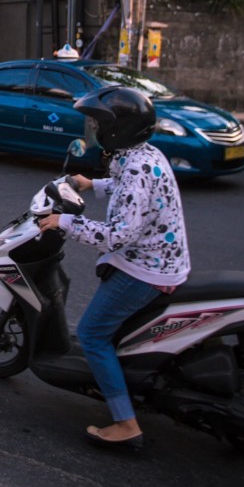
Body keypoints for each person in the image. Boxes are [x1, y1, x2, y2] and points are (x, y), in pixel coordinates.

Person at [35, 86, 190, 451]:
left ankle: (125, 422)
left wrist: (65, 223)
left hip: (146, 269)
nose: (91, 127)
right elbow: (128, 187)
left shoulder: (134, 168)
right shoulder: (141, 154)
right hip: (160, 258)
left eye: (96, 121)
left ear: (116, 127)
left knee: (91, 334)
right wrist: (91, 183)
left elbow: (117, 236)